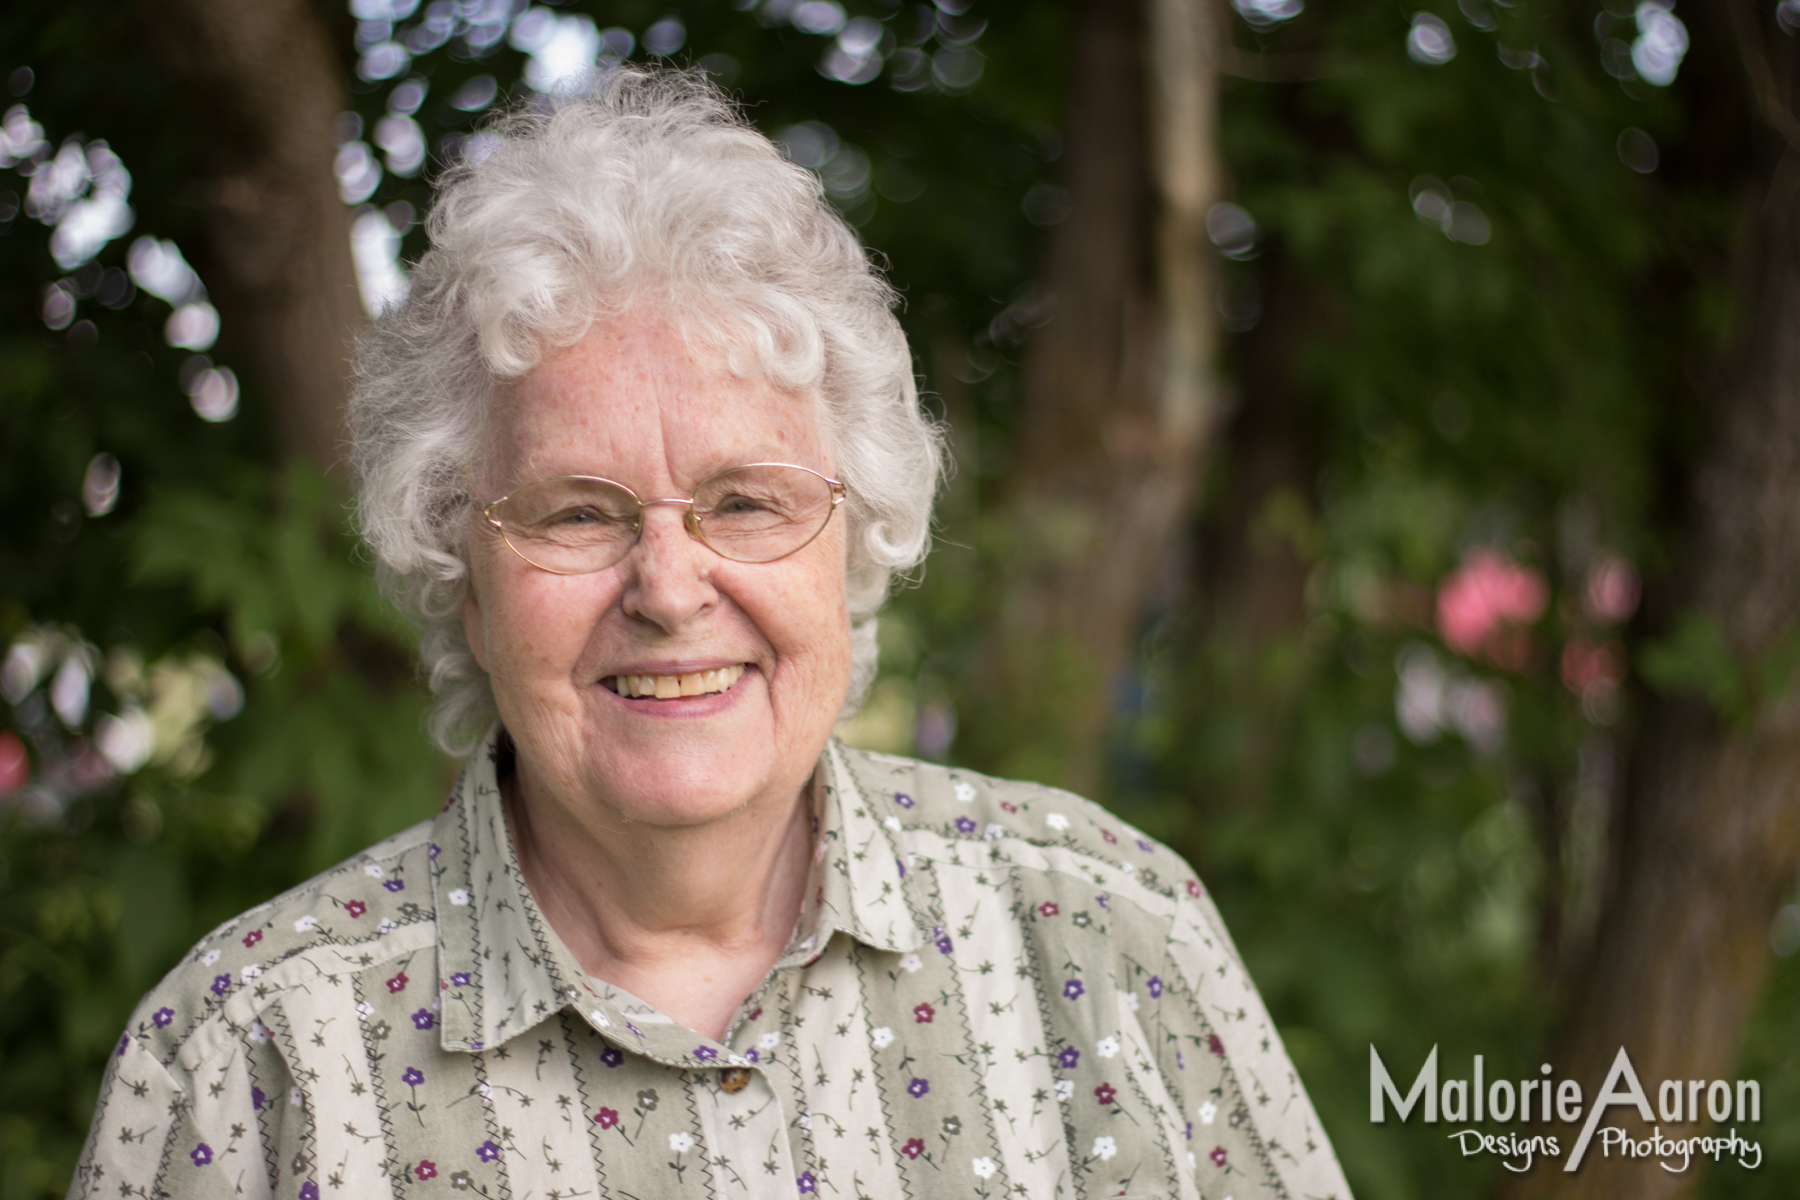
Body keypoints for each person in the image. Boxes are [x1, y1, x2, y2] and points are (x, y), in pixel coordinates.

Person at [70, 69, 1351, 1200]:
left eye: (746, 502)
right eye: (577, 512)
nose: (671, 588)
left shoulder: (1111, 935)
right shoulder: (250, 1058)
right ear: (461, 567)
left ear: (856, 534)